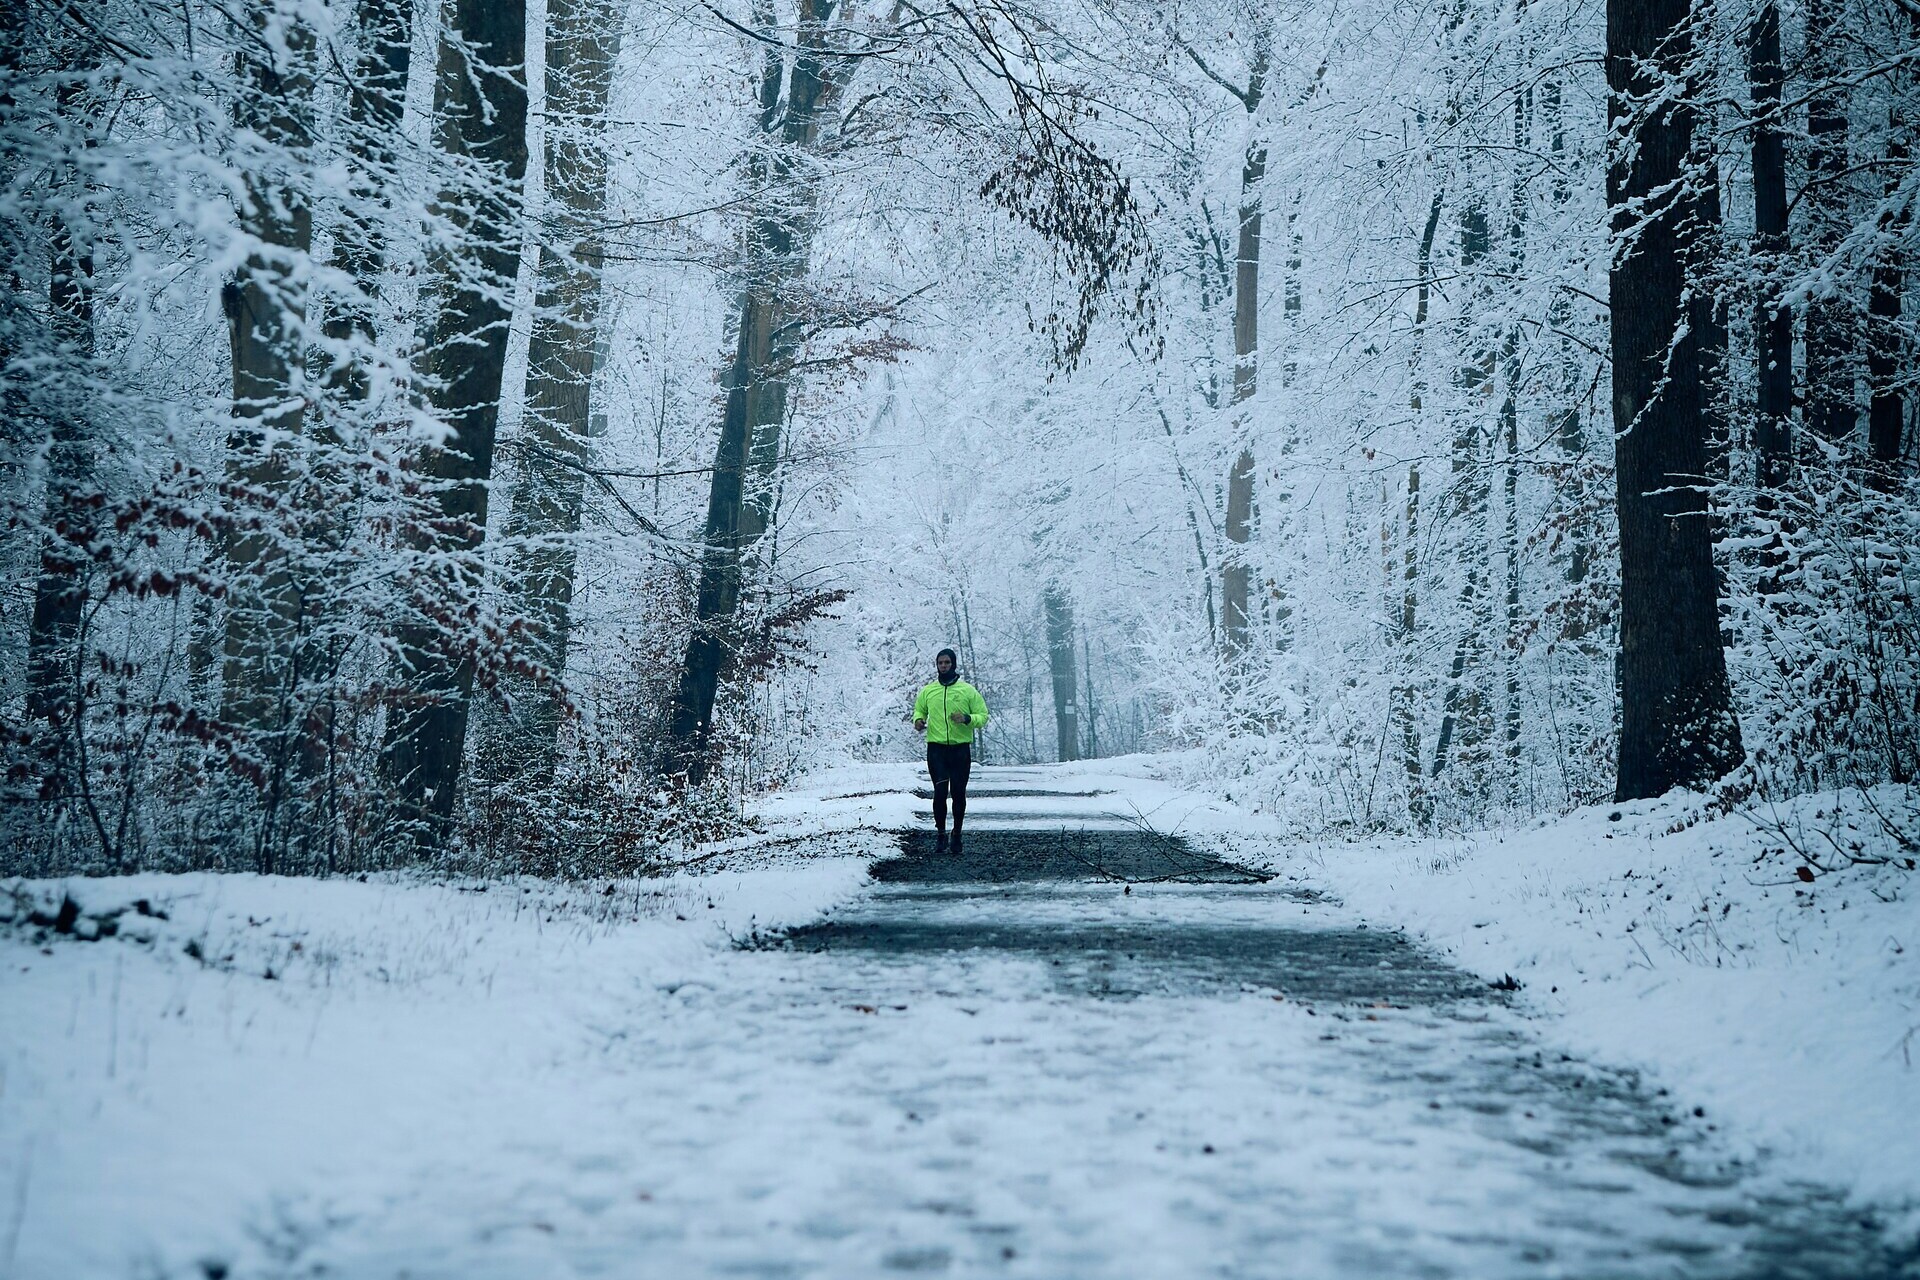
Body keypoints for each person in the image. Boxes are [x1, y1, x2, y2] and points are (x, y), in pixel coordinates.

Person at [911, 648, 989, 852]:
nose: (943, 666)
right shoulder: (928, 691)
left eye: (947, 662)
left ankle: (957, 833)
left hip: (960, 749)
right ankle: (940, 834)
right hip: (936, 749)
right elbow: (919, 710)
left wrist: (967, 718)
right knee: (939, 792)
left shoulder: (967, 691)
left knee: (958, 793)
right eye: (940, 663)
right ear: (936, 665)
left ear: (953, 664)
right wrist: (918, 720)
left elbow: (983, 716)